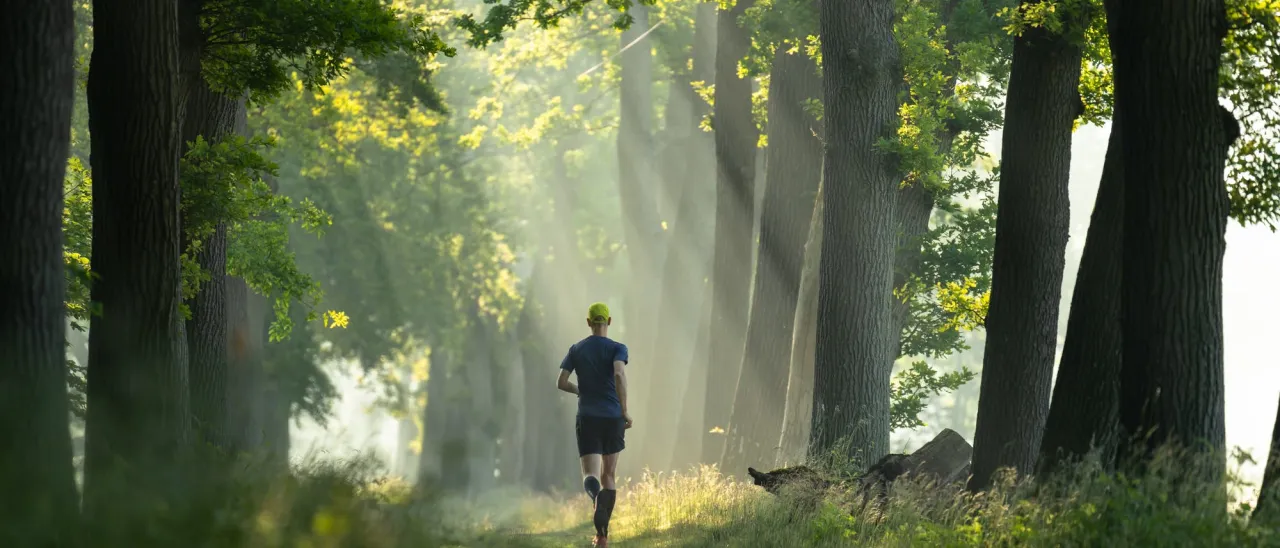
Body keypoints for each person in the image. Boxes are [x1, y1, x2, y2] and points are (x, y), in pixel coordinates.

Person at [557, 302, 631, 547]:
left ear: (589, 322)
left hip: (588, 418)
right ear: (609, 321)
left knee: (591, 475)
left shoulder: (576, 349)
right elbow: (619, 374)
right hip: (613, 418)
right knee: (609, 474)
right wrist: (624, 411)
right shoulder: (618, 348)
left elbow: (561, 381)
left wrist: (579, 390)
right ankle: (602, 537)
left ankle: (595, 497)